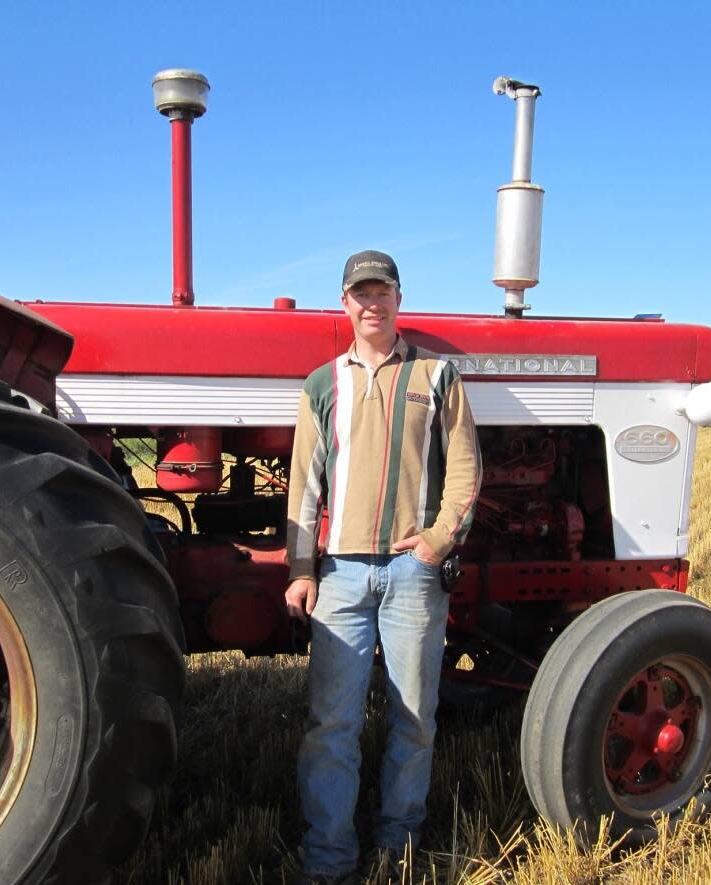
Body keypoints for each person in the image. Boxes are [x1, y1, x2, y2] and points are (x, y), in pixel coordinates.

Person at [284, 250, 481, 883]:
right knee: (332, 722)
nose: (372, 303)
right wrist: (301, 567)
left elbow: (466, 468)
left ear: (399, 299)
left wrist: (437, 541)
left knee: (415, 715)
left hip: (411, 574)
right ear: (345, 304)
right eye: (360, 294)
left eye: (382, 291)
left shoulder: (437, 375)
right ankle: (330, 858)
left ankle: (398, 847)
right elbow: (304, 483)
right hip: (340, 573)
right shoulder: (322, 383)